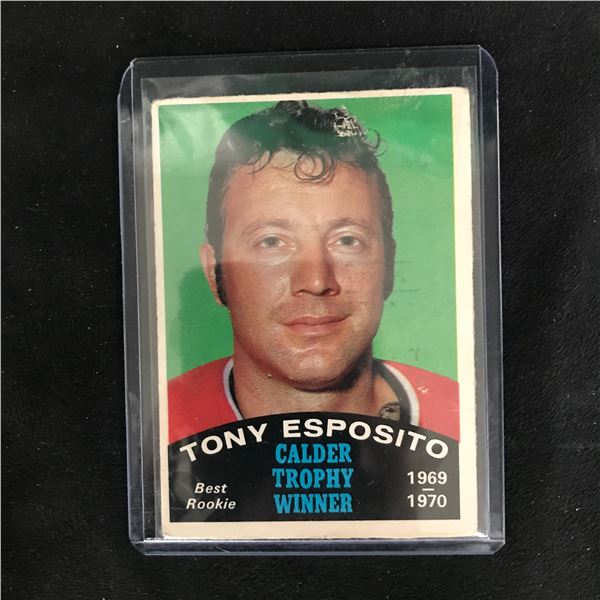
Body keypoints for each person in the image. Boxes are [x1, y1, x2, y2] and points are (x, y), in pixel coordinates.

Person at [168, 101, 458, 443]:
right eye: (272, 242)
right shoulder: (159, 429)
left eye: (347, 240)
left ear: (389, 264)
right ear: (214, 273)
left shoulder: (466, 424)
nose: (316, 281)